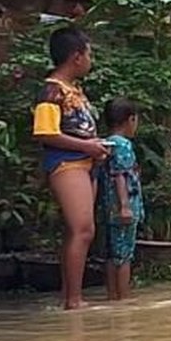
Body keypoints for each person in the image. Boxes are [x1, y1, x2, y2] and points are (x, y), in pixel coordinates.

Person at [33, 27, 110, 310]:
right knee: (82, 229)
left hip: (83, 162)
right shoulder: (52, 90)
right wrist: (88, 147)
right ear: (76, 57)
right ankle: (74, 300)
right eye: (89, 54)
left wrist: (94, 147)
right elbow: (45, 132)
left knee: (80, 229)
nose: (91, 60)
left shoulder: (71, 90)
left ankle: (71, 295)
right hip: (67, 163)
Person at [97, 99, 144, 302]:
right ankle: (124, 299)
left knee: (111, 255)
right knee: (124, 255)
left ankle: (112, 296)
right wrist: (125, 206)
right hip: (123, 206)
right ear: (130, 120)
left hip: (108, 207)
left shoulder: (107, 143)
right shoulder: (123, 145)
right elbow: (120, 175)